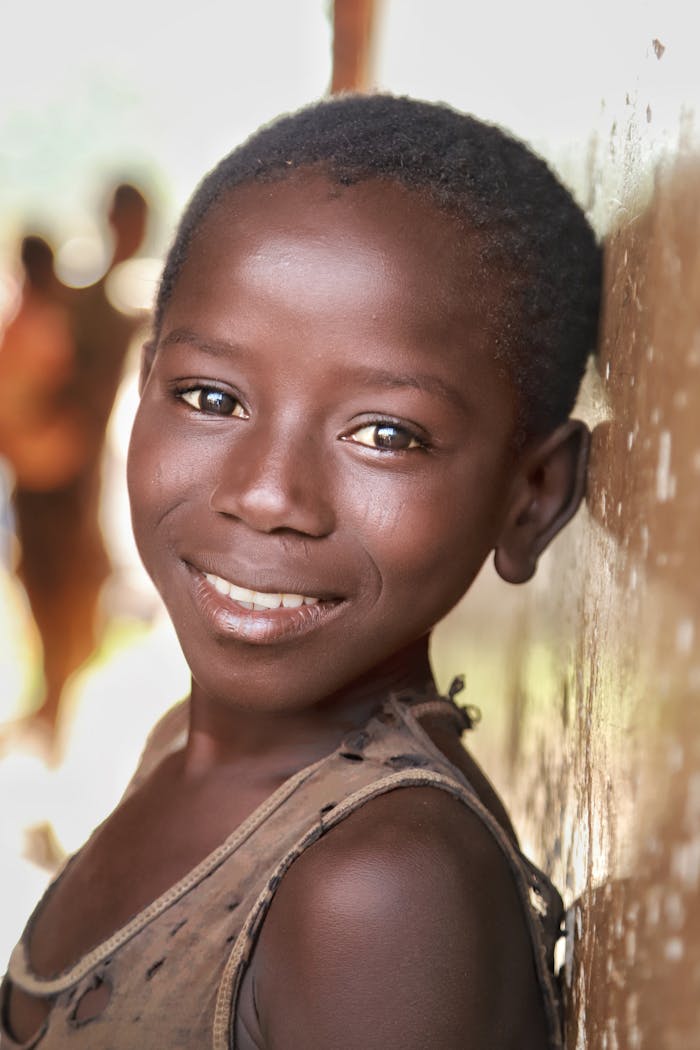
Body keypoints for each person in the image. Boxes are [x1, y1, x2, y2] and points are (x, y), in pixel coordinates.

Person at [0, 94, 601, 1049]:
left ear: (531, 496)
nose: (269, 493)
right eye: (210, 396)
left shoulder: (379, 891)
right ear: (146, 384)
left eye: (384, 434)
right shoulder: (178, 744)